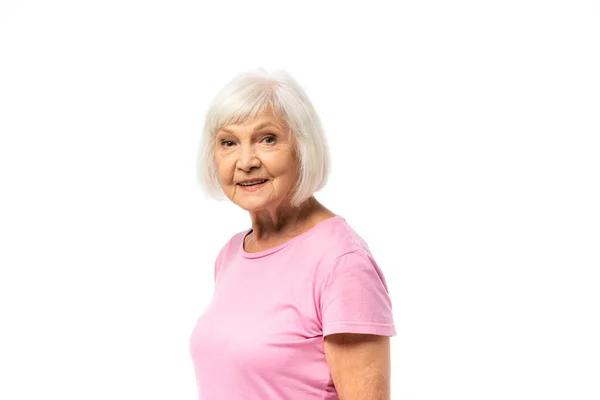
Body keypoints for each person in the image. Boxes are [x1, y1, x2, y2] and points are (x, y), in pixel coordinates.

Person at [189, 68, 397, 399]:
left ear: (302, 146)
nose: (245, 161)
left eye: (267, 139)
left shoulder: (342, 262)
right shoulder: (231, 254)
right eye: (228, 142)